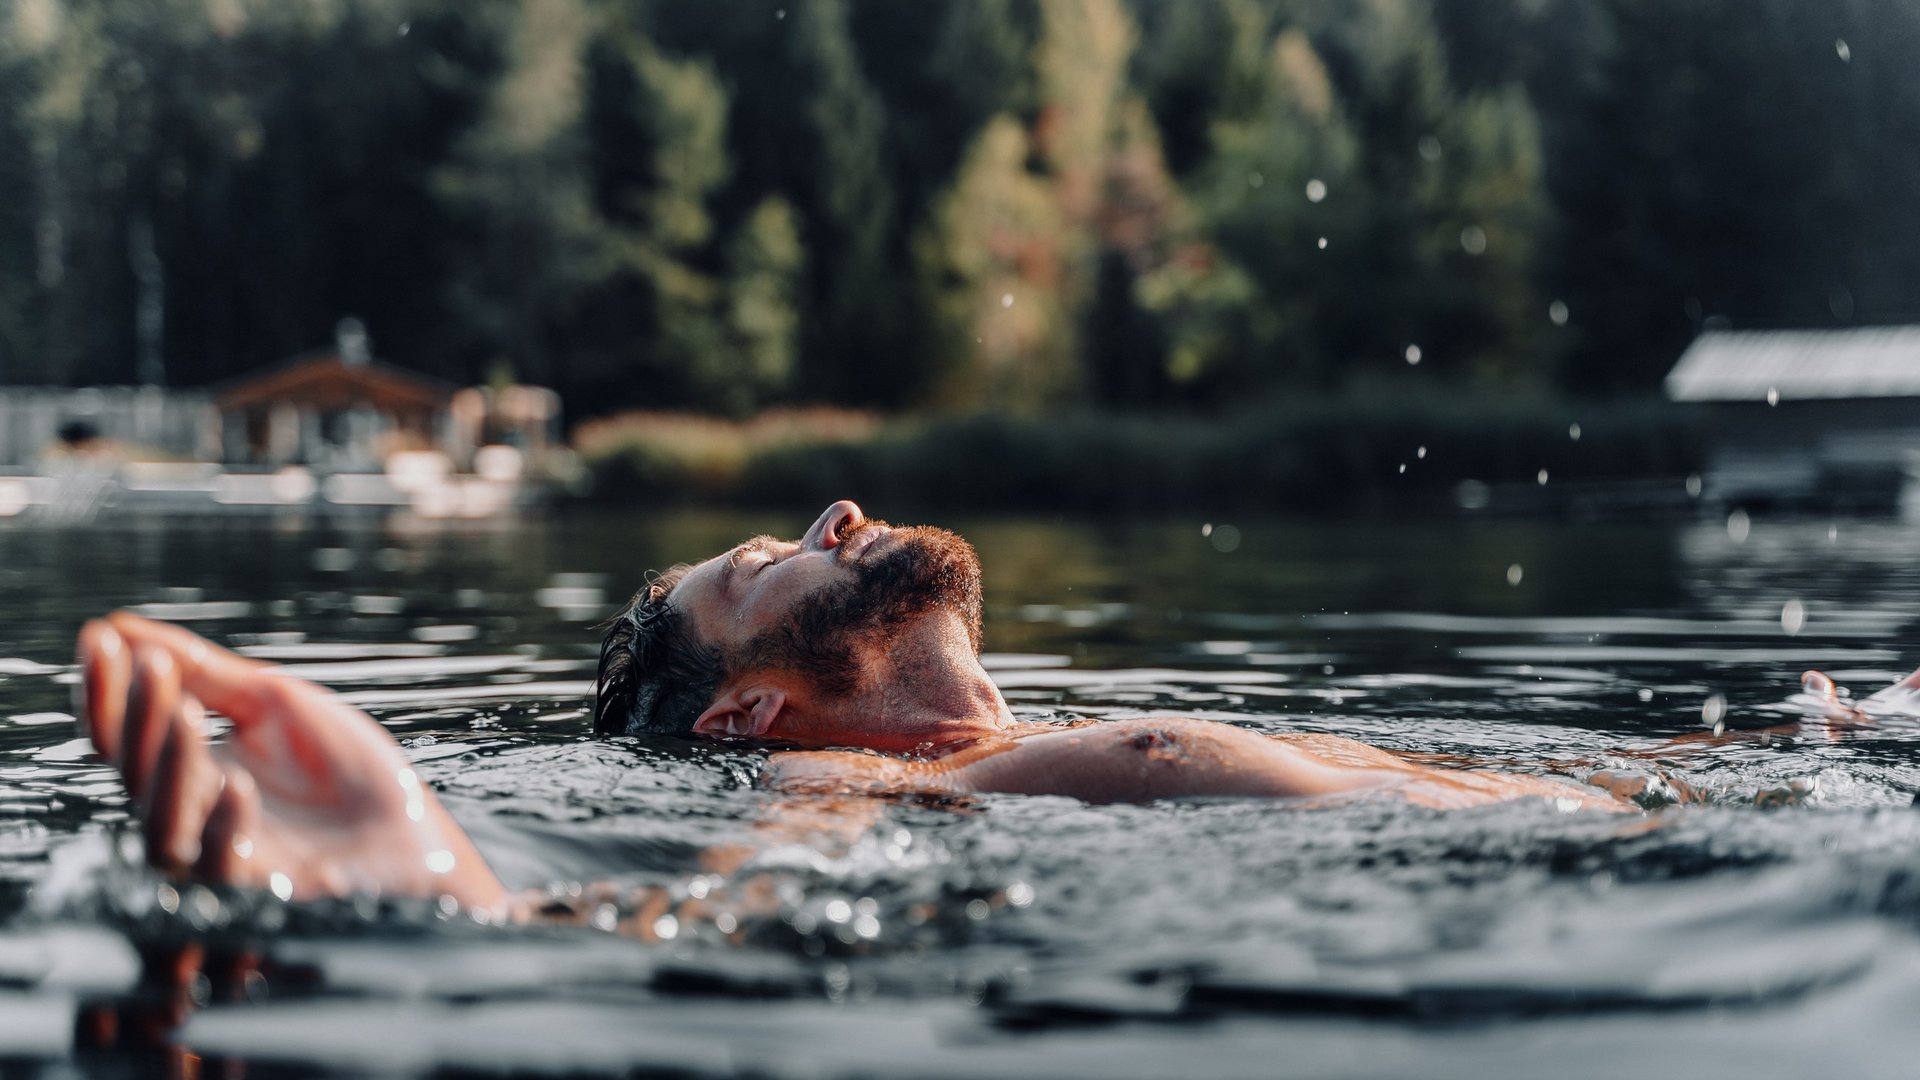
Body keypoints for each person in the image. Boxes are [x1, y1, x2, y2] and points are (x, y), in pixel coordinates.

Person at [94, 498, 1861, 922]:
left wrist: (1807, 751)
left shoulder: (1035, 752)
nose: (835, 519)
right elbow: (721, 913)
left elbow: (1511, 790)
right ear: (752, 718)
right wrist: (438, 881)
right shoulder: (877, 807)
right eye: (761, 565)